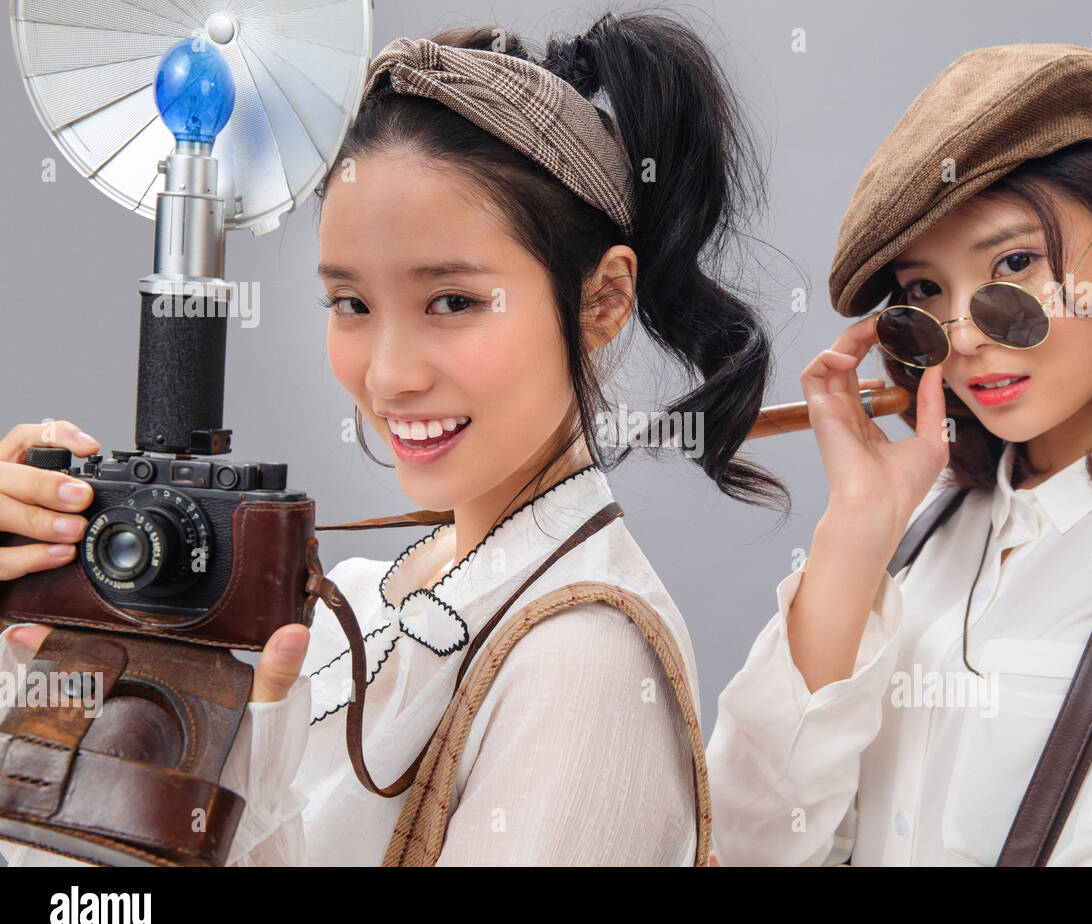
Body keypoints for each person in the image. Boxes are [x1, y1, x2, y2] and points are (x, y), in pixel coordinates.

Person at [0, 11, 787, 866]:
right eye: (352, 304)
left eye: (451, 301)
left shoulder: (582, 659)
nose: (387, 376)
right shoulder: (364, 599)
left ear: (601, 300)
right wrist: (67, 659)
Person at [706, 43, 1092, 866]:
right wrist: (854, 534)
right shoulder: (920, 531)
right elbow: (744, 848)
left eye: (1014, 265)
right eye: (922, 295)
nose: (966, 338)